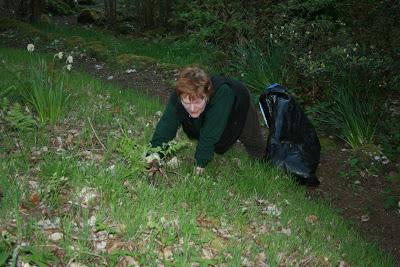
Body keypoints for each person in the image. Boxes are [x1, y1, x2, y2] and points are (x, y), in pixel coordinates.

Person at [149, 66, 266, 174]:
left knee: (253, 142)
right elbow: (166, 126)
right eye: (187, 103)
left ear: (207, 95)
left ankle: (266, 163)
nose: (192, 108)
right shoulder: (178, 96)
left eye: (197, 102)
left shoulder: (223, 94)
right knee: (201, 124)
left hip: (239, 104)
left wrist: (200, 163)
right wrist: (153, 154)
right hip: (212, 108)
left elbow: (210, 134)